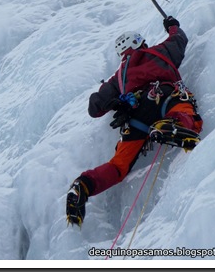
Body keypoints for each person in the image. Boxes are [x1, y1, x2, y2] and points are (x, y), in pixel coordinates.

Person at [66, 16, 203, 227]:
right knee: (182, 109)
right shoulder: (157, 52)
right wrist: (172, 26)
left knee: (119, 165)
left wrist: (111, 99)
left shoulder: (118, 77)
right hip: (163, 94)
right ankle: (174, 127)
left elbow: (95, 108)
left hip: (136, 116)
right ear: (140, 43)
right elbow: (179, 40)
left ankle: (84, 184)